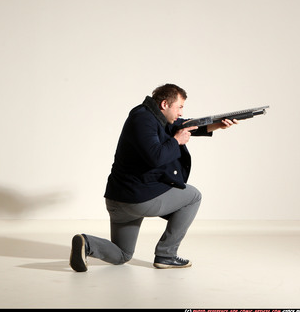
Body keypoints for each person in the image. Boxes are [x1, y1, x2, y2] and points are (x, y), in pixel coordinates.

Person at [69, 83, 238, 272]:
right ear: (165, 104)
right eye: (179, 107)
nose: (181, 112)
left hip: (119, 201)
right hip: (138, 199)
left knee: (123, 255)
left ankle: (88, 243)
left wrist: (218, 124)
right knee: (193, 197)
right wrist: (176, 141)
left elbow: (185, 125)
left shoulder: (150, 115)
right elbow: (155, 156)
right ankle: (167, 255)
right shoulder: (143, 120)